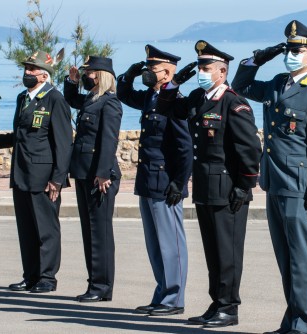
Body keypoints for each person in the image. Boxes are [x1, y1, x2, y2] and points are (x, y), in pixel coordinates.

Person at [232, 20, 307, 334]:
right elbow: (241, 87)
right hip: (274, 180)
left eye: (296, 50)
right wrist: (257, 59)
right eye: (287, 49)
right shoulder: (278, 83)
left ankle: (305, 324)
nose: (290, 54)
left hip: (299, 184)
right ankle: (292, 320)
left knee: (301, 258)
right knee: (285, 257)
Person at [158, 40, 261, 328]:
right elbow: (170, 109)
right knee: (213, 253)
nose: (202, 71)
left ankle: (229, 307)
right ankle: (216, 302)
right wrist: (175, 82)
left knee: (227, 253)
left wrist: (245, 185)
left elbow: (250, 149)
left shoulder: (234, 102)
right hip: (205, 187)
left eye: (206, 67)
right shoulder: (198, 98)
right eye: (200, 67)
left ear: (222, 71)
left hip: (228, 190)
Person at [117, 45, 193, 316]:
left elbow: (185, 148)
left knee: (171, 243)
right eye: (147, 68)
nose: (148, 72)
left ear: (168, 72)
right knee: (155, 244)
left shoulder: (174, 101)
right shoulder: (150, 96)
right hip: (148, 180)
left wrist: (179, 183)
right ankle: (161, 292)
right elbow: (123, 93)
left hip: (166, 182)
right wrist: (128, 74)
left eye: (153, 68)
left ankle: (174, 298)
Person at [0, 51, 72, 293]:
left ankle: (47, 278)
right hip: (21, 173)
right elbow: (22, 134)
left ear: (44, 75)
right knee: (26, 229)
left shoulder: (54, 99)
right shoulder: (22, 98)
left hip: (44, 177)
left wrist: (58, 179)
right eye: (26, 68)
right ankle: (30, 275)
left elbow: (63, 142)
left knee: (46, 230)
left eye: (31, 69)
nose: (26, 73)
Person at [63, 56, 122, 302]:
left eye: (89, 72)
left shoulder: (110, 103)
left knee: (100, 233)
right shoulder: (91, 99)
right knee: (89, 231)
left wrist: (102, 173)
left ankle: (102, 286)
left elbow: (109, 140)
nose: (87, 75)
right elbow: (71, 99)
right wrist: (71, 81)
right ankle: (94, 283)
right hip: (83, 171)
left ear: (99, 75)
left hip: (99, 175)